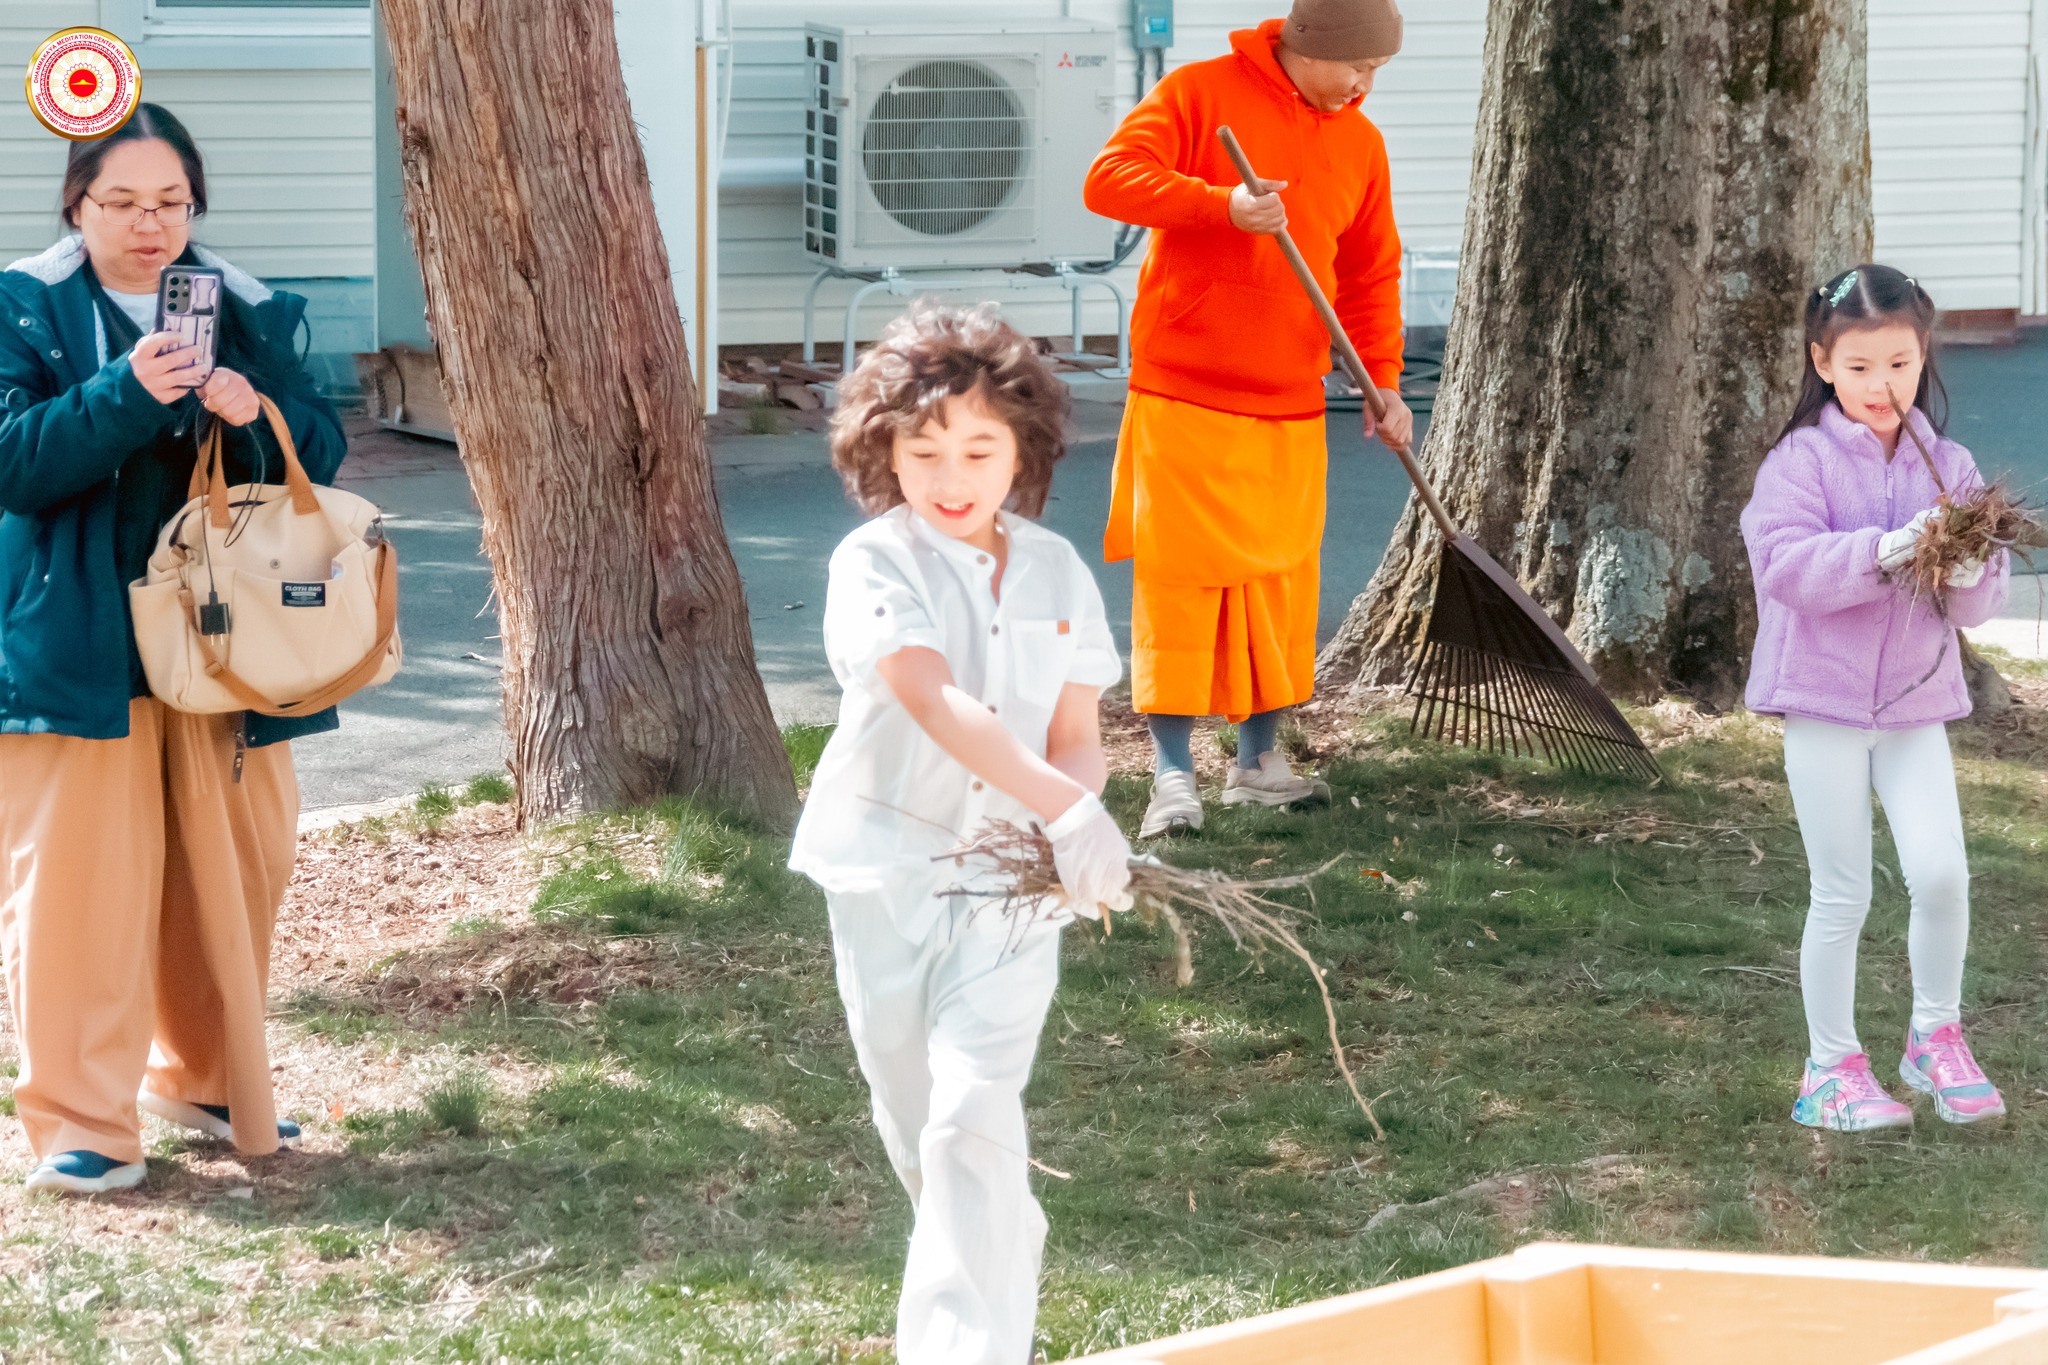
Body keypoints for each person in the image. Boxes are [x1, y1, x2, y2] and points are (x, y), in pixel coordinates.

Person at [0, 104, 346, 1194]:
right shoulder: (23, 306)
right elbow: (14, 464)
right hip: (80, 639)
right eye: (122, 204)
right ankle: (79, 1119)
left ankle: (201, 1078)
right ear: (76, 204)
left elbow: (319, 447)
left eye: (170, 204)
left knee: (235, 872)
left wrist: (249, 412)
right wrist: (123, 393)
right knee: (80, 893)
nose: (150, 228)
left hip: (228, 643)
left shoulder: (239, 305)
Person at [788, 302, 1131, 1364]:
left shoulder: (1056, 570)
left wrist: (1071, 813)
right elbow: (937, 702)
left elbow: (1077, 732)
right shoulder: (871, 563)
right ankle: (995, 1253)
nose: (951, 474)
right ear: (880, 447)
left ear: (1022, 448)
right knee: (919, 1136)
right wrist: (1068, 807)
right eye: (923, 447)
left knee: (967, 1116)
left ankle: (967, 1351)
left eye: (979, 447)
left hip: (1008, 889)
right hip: (881, 873)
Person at [1082, 0, 1412, 837]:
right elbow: (1108, 179)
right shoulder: (1199, 95)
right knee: (1183, 584)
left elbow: (1371, 275)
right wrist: (1219, 205)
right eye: (1357, 67)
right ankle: (1171, 774)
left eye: (1377, 71)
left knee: (1277, 585)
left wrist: (1383, 381)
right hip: (1185, 389)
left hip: (1291, 399)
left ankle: (1260, 762)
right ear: (1308, 45)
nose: (1365, 85)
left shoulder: (1361, 144)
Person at [1741, 264, 2010, 1133]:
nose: (1882, 385)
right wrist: (1883, 550)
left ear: (1921, 353)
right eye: (1859, 367)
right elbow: (1784, 565)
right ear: (1823, 362)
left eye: (1898, 362)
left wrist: (1971, 571)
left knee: (1942, 875)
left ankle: (1934, 1037)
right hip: (1822, 704)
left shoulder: (1952, 463)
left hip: (1915, 706)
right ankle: (1830, 1067)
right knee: (1843, 891)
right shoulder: (1801, 460)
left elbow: (1974, 597)